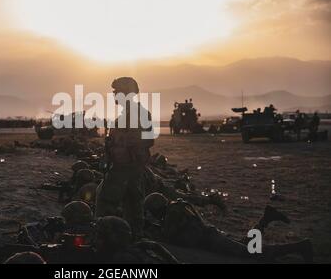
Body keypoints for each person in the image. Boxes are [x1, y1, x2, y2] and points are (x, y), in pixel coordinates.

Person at [143, 193, 313, 262]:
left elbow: (172, 236)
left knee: (253, 253)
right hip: (211, 236)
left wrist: (152, 229)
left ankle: (300, 246)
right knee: (246, 244)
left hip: (211, 239)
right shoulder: (176, 207)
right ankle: (265, 219)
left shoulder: (172, 213)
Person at [95, 77, 155, 239]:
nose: (114, 95)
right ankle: (133, 241)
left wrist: (125, 145)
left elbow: (148, 140)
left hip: (125, 169)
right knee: (133, 209)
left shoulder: (137, 114)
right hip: (131, 168)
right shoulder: (130, 114)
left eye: (116, 92)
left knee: (105, 205)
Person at [95, 216, 179, 263]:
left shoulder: (122, 258)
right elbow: (156, 246)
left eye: (101, 235)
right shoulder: (138, 246)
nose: (98, 239)